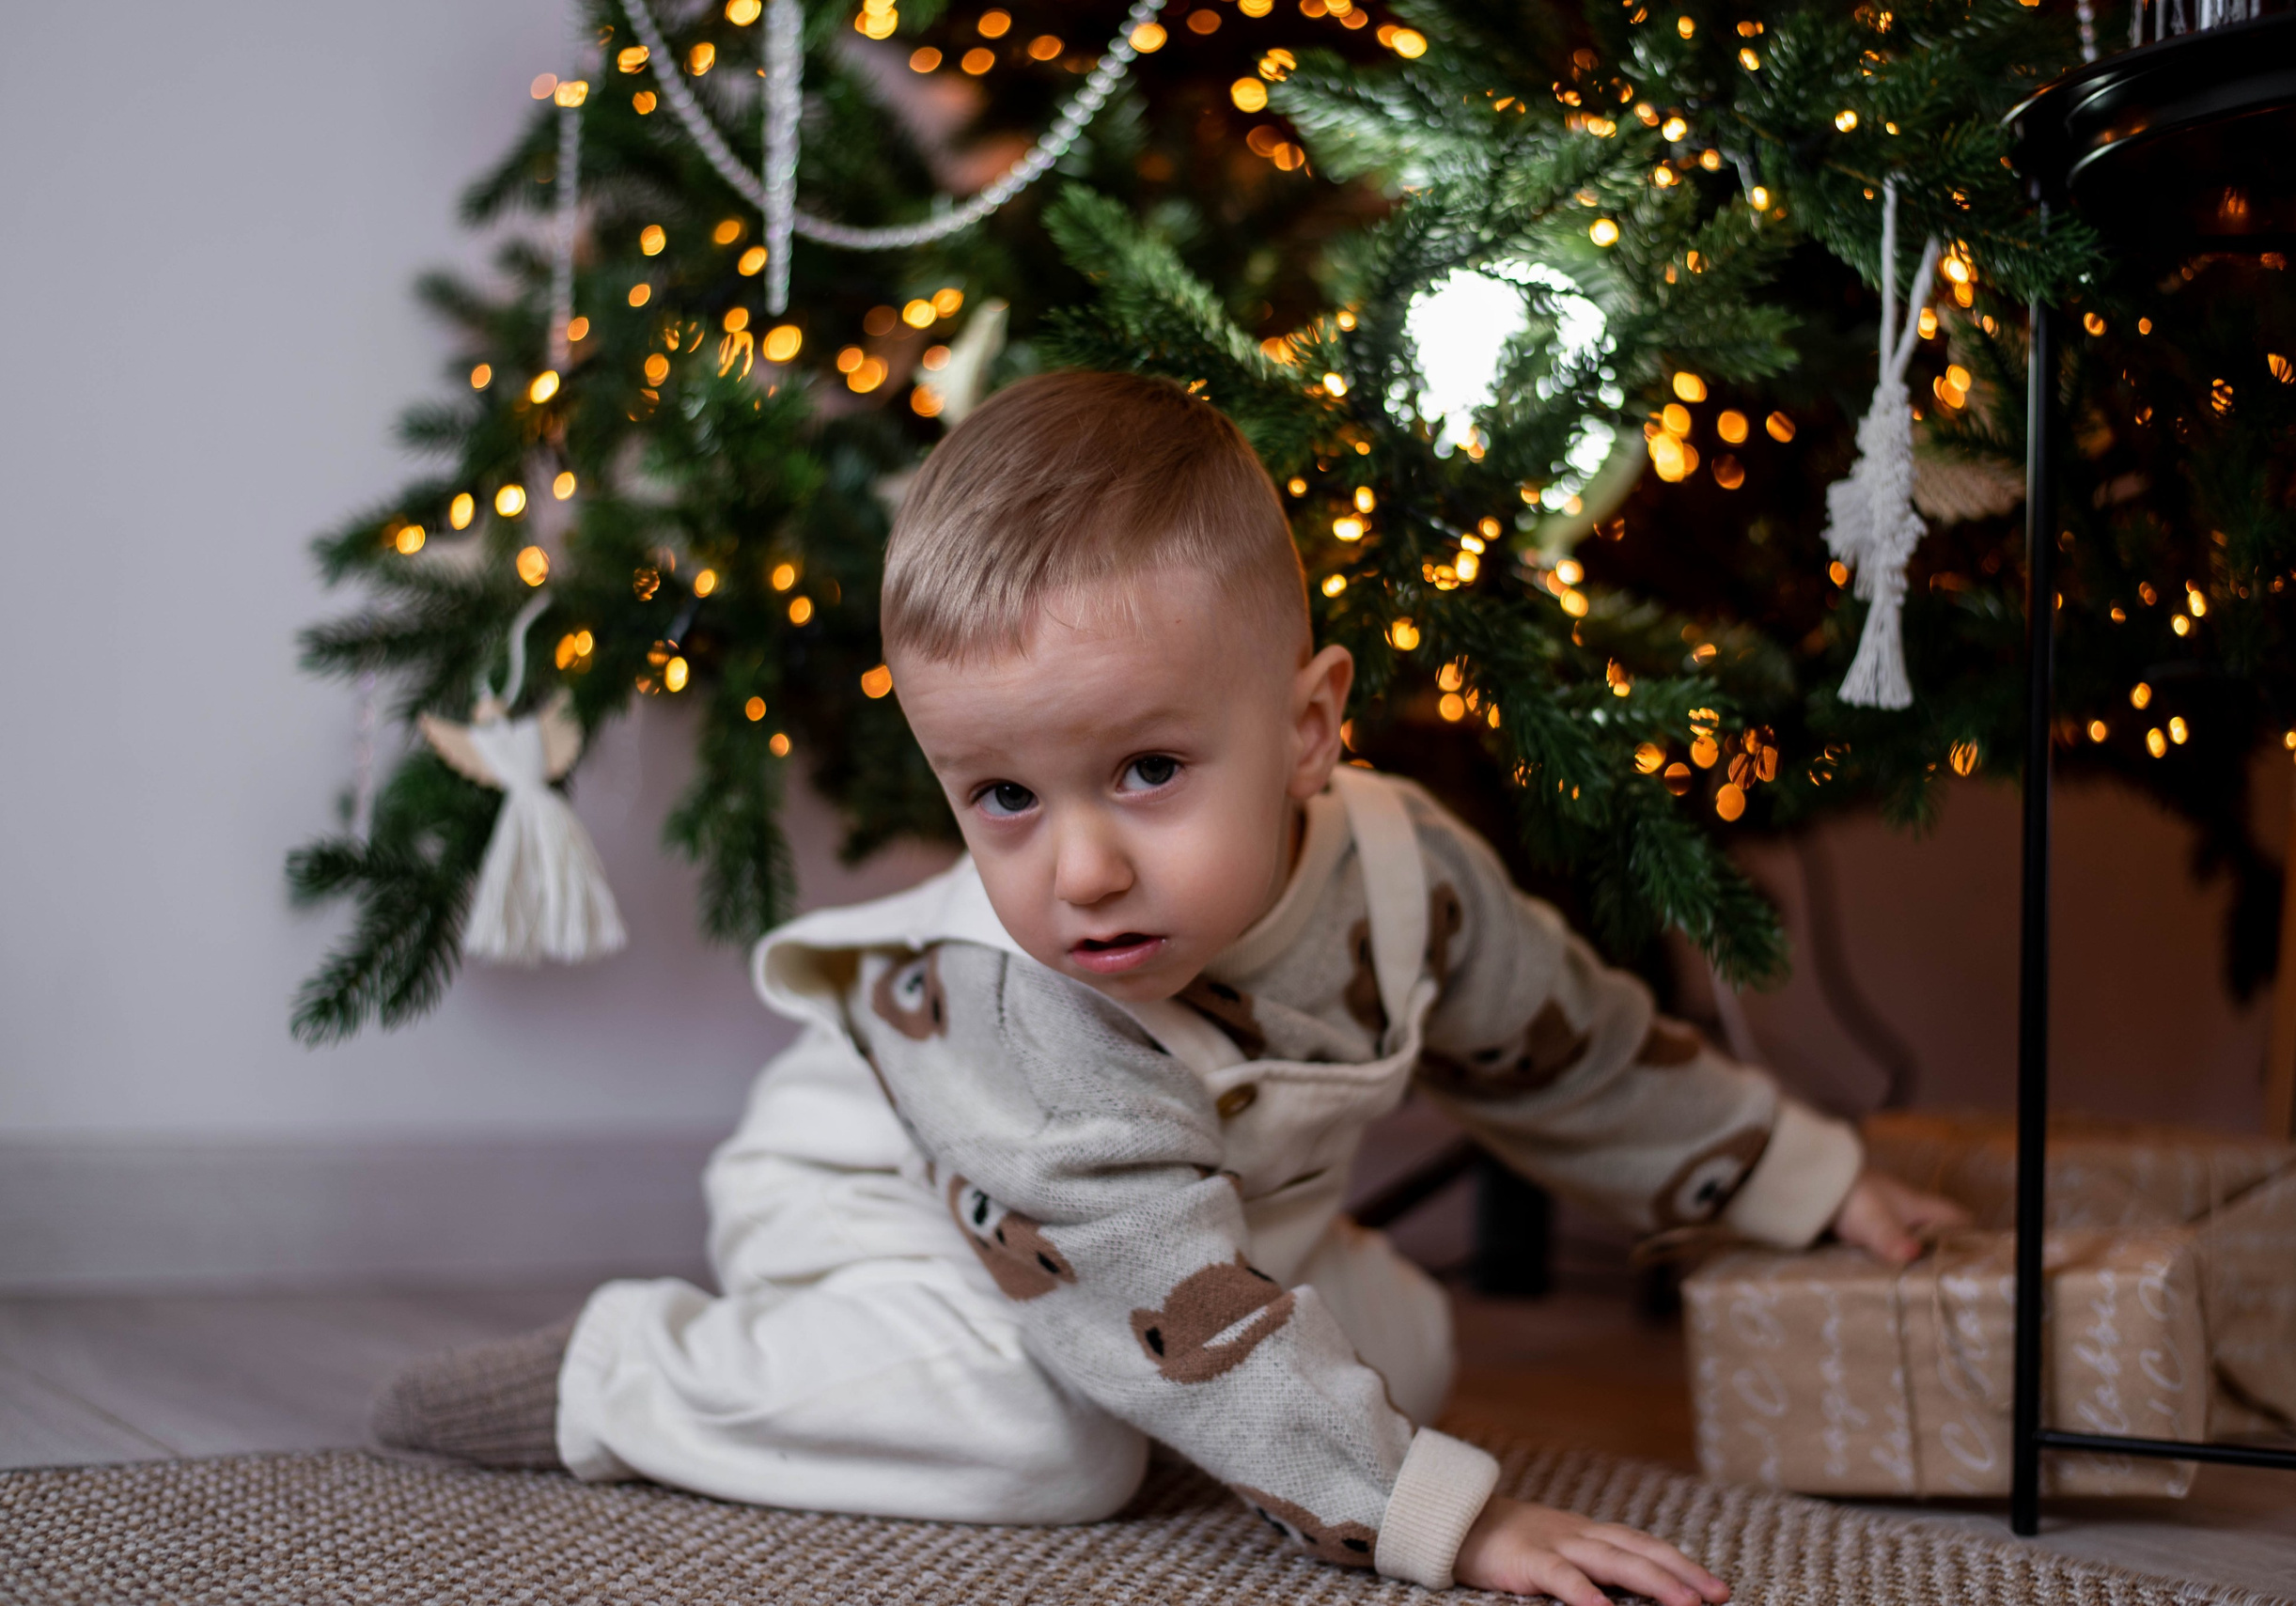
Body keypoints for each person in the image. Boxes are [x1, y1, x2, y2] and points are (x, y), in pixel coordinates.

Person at [373, 369, 1965, 1606]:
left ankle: (1227, 1371)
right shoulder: (1017, 992)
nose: (1078, 872)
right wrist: (1445, 1519)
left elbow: (1573, 1052)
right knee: (1049, 1443)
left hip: (1175, 1211)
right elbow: (1140, 1265)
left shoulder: (1406, 869)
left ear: (1310, 726)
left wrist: (1800, 1175)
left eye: (1145, 769)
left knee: (1401, 1353)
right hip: (898, 1197)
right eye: (1002, 796)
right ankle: (625, 1375)